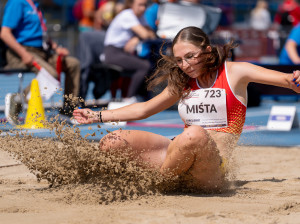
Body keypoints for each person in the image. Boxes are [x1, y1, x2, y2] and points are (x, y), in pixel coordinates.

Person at [73, 26, 300, 191]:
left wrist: (295, 79)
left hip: (210, 167)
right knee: (112, 141)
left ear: (208, 51)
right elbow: (144, 109)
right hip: (178, 154)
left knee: (193, 133)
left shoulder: (236, 72)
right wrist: (97, 115)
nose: (185, 65)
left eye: (190, 56)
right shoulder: (182, 81)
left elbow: (287, 80)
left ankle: (158, 185)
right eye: (180, 60)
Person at [1, 0, 81, 124]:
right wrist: (23, 53)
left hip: (43, 51)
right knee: (50, 75)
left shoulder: (35, 5)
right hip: (21, 51)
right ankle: (17, 99)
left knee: (73, 63)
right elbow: (5, 34)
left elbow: (42, 33)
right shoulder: (17, 3)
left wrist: (56, 47)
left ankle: (69, 110)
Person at [103, 0, 157, 103]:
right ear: (131, 4)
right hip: (112, 53)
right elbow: (145, 34)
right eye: (140, 5)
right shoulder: (127, 15)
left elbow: (151, 34)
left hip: (122, 53)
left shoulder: (140, 17)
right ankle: (129, 97)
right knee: (144, 66)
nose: (143, 8)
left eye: (145, 5)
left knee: (148, 62)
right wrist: (140, 36)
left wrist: (137, 38)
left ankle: (142, 95)